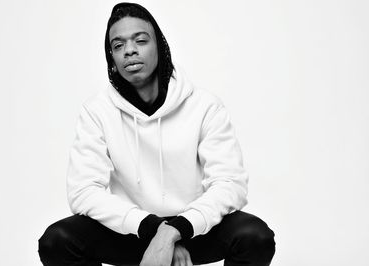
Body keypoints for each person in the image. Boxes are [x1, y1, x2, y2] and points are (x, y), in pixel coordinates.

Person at [38, 2, 275, 266]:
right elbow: (83, 191)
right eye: (118, 46)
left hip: (193, 228)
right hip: (131, 230)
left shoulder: (205, 106)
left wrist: (175, 232)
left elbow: (230, 184)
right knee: (57, 241)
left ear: (159, 47)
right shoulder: (97, 111)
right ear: (112, 58)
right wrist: (152, 229)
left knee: (254, 236)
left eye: (140, 40)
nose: (129, 51)